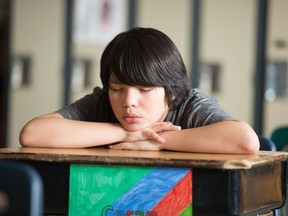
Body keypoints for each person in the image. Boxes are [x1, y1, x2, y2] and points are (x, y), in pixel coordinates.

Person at [19, 27, 259, 154]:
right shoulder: (102, 102)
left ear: (172, 92)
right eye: (117, 88)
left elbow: (245, 140)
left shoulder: (189, 105)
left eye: (144, 89)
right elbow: (33, 134)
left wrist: (159, 141)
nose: (128, 101)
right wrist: (125, 134)